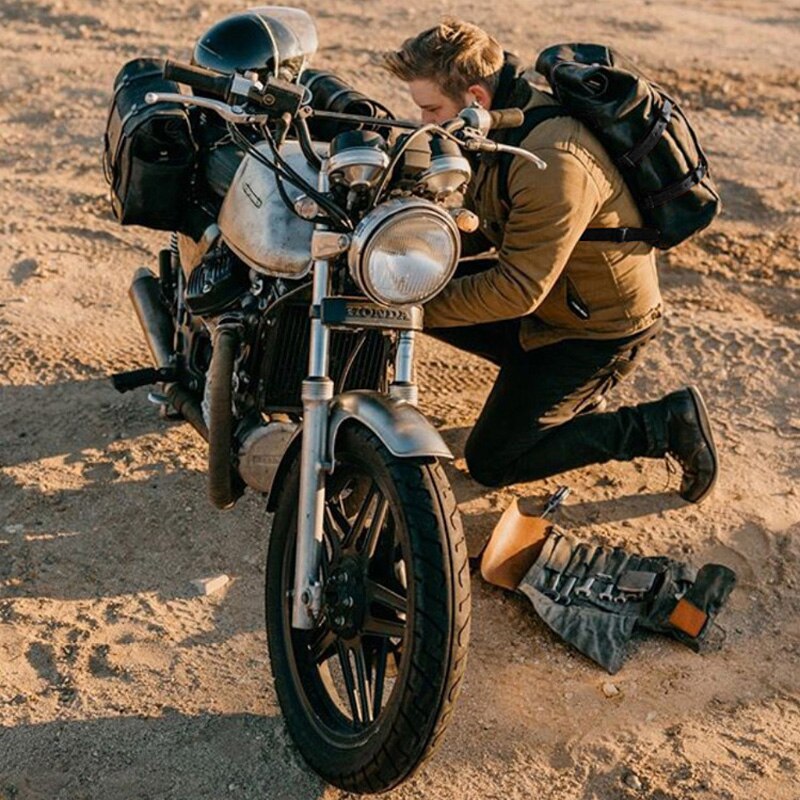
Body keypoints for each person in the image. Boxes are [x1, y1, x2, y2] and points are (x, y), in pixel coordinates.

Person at [381, 19, 718, 503]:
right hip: (554, 304)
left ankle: (662, 424)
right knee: (409, 281)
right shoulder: (500, 124)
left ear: (475, 96)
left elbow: (517, 288)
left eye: (431, 109)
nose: (425, 123)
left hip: (595, 332)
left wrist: (405, 305)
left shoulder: (551, 159)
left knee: (493, 461)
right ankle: (560, 398)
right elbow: (485, 222)